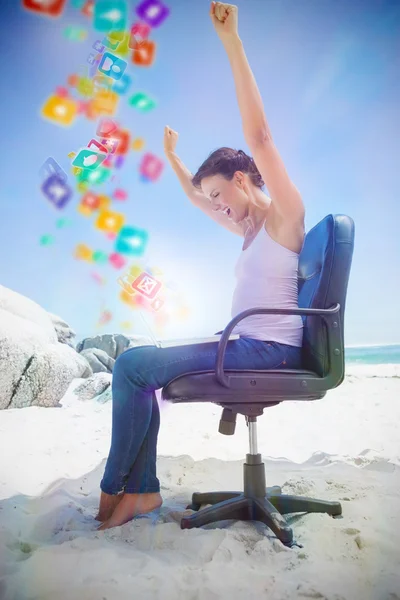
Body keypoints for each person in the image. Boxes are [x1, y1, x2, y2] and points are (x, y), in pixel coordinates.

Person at [96, 1, 305, 530]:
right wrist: (174, 161)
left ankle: (117, 490)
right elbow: (194, 198)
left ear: (240, 179)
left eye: (220, 194)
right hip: (244, 344)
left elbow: (260, 139)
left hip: (265, 351)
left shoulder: (283, 218)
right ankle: (140, 492)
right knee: (140, 372)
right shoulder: (249, 232)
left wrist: (232, 41)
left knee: (132, 366)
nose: (217, 208)